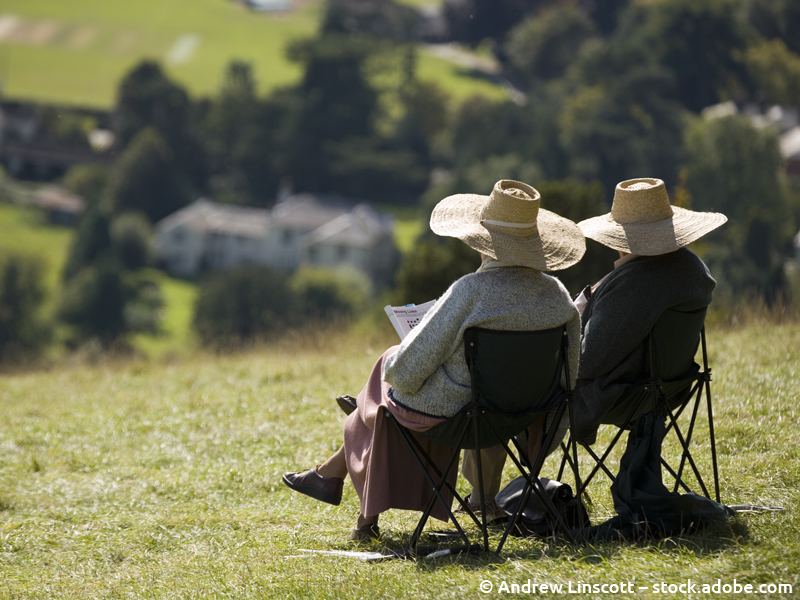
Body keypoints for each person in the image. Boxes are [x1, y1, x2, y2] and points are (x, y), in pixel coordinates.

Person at [281, 179, 584, 540]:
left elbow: (406, 374)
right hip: (523, 418)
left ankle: (358, 507)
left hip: (459, 417)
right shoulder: (559, 297)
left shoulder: (470, 292)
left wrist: (403, 362)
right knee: (391, 394)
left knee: (388, 369)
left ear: (481, 242)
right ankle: (332, 470)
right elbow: (570, 374)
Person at [571, 177, 727, 445]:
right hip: (673, 387)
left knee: (536, 385)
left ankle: (525, 479)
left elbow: (587, 361)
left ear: (616, 238)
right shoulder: (694, 269)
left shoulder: (631, 285)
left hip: (625, 394)